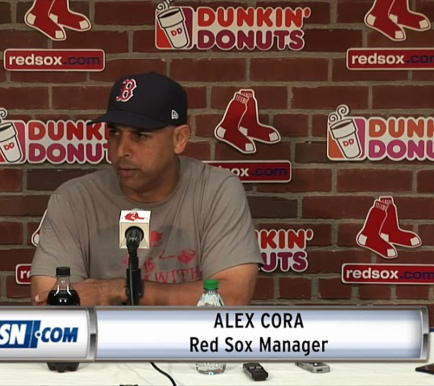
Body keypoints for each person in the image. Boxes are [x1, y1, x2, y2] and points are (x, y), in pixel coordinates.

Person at [31, 72, 262, 306]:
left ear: (179, 139)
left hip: (188, 341)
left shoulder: (216, 191)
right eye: (114, 133)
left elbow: (233, 296)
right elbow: (49, 302)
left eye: (140, 135)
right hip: (105, 341)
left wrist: (118, 290)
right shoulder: (73, 199)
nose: (121, 150)